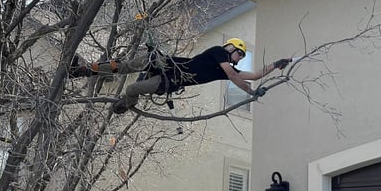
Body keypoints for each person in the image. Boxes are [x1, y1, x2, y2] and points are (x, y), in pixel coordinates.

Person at [69, 38, 291, 114]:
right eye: (239, 53)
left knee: (131, 90)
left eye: (242, 56)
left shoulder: (224, 70)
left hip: (169, 81)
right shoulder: (219, 53)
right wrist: (251, 92)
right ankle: (84, 70)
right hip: (167, 64)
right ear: (229, 48)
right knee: (126, 65)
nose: (240, 58)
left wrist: (276, 64)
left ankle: (124, 104)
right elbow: (236, 77)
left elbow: (254, 74)